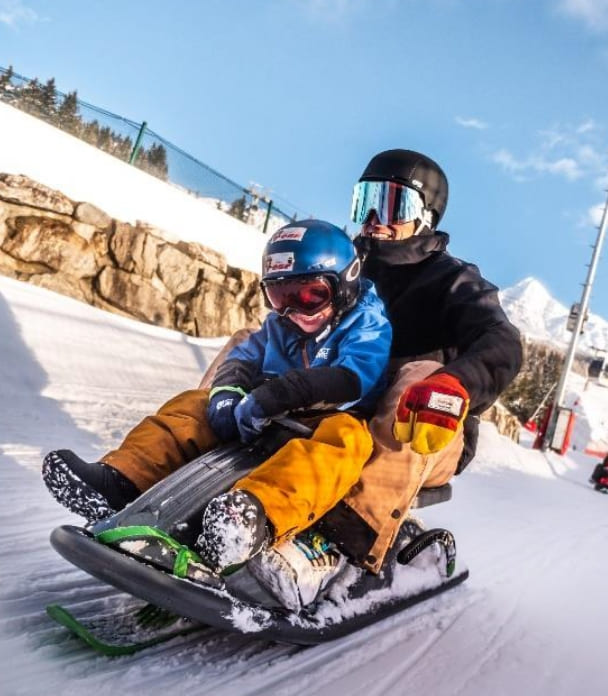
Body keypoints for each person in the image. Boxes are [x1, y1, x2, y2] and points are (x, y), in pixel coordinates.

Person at [43, 219, 392, 609]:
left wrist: (275, 395)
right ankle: (121, 479)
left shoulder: (367, 321)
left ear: (346, 282)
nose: (293, 310)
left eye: (310, 295)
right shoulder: (281, 326)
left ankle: (248, 519)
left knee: (344, 442)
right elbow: (244, 358)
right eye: (280, 297)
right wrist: (226, 396)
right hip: (268, 416)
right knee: (192, 406)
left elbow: (353, 376)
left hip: (328, 420)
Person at [315, 149, 523, 573]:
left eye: (392, 204)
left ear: (425, 217)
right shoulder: (345, 267)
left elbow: (502, 341)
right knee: (249, 343)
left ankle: (342, 544)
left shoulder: (452, 279)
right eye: (365, 201)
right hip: (340, 410)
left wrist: (456, 381)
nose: (374, 217)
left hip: (428, 429)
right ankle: (173, 475)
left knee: (419, 377)